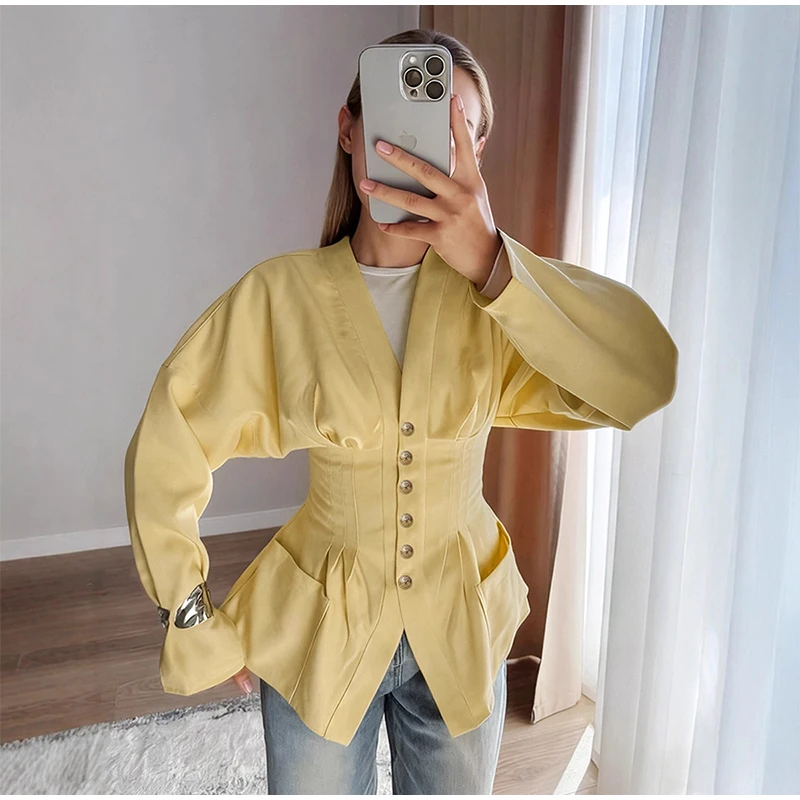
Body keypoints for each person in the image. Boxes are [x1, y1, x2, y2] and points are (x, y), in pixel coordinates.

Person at [124, 28, 679, 795]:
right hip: (320, 630)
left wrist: (492, 260)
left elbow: (643, 374)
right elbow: (170, 435)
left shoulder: (502, 302)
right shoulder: (281, 298)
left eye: (456, 129)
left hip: (463, 627)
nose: (422, 148)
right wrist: (189, 613)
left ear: (476, 156)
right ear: (349, 129)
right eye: (403, 117)